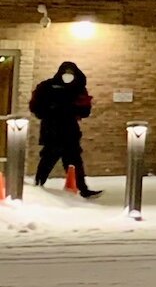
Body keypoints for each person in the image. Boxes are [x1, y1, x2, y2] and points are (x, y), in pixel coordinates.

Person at [29, 61, 102, 198]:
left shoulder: (78, 88)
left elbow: (85, 110)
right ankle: (38, 186)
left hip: (69, 130)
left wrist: (71, 109)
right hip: (52, 129)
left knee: (74, 161)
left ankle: (82, 188)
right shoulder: (47, 86)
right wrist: (51, 109)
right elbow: (36, 106)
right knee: (48, 158)